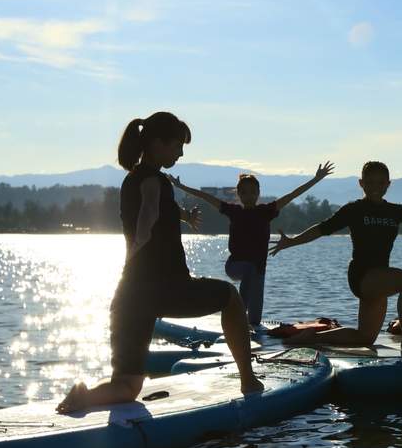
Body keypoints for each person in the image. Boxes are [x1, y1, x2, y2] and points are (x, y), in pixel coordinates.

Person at [57, 112, 263, 414]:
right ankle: (249, 381)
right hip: (169, 287)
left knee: (127, 387)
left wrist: (181, 217)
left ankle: (84, 397)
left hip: (130, 293)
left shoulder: (132, 180)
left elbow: (156, 207)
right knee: (231, 298)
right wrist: (141, 240)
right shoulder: (156, 180)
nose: (180, 152)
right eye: (177, 145)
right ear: (157, 144)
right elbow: (150, 212)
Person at [270, 160, 402, 353]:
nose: (375, 187)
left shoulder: (394, 211)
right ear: (361, 183)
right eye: (370, 182)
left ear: (388, 184)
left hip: (379, 277)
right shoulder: (354, 209)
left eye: (380, 182)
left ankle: (310, 337)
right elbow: (322, 228)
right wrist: (291, 241)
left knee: (365, 338)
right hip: (362, 275)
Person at [169, 163, 335, 328]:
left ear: (258, 193)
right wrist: (181, 186)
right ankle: (238, 315)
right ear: (239, 194)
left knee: (255, 320)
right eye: (244, 192)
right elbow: (205, 196)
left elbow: (292, 195)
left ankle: (249, 327)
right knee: (249, 271)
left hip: (259, 272)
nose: (249, 195)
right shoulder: (234, 212)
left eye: (253, 192)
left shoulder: (266, 211)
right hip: (235, 266)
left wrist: (316, 179)